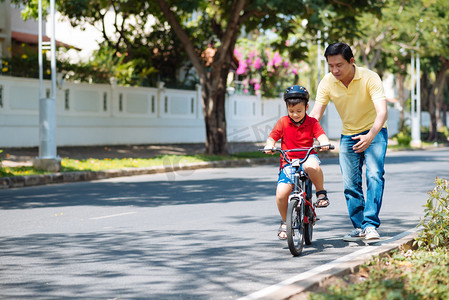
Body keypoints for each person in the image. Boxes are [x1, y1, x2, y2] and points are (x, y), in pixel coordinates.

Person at [309, 42, 388, 241]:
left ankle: (370, 224)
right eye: (331, 65)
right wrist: (300, 134)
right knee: (350, 183)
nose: (334, 70)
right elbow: (316, 114)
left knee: (374, 175)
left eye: (339, 65)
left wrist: (370, 136)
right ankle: (360, 226)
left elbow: (382, 112)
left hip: (375, 132)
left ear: (351, 62)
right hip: (348, 135)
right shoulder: (327, 82)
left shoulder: (370, 78)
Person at [264, 85, 330, 240]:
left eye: (299, 111)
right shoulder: (283, 122)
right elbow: (272, 137)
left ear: (307, 107)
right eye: (291, 111)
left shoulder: (312, 122)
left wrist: (324, 143)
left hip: (307, 157)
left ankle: (321, 193)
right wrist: (270, 145)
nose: (295, 114)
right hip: (288, 161)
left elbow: (321, 136)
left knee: (311, 166)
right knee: (281, 194)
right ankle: (285, 222)